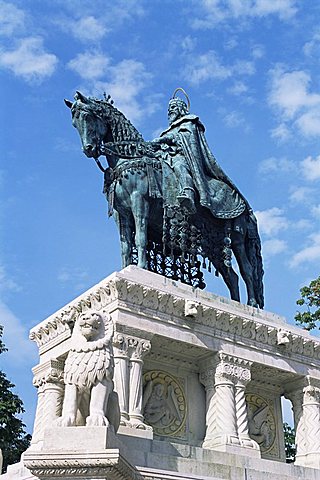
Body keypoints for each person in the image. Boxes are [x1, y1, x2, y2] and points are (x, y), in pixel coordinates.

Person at [153, 90, 249, 219]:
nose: (170, 111)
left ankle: (188, 195)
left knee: (180, 166)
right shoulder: (165, 131)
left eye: (174, 107)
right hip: (164, 157)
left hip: (182, 157)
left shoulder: (189, 122)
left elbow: (186, 138)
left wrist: (168, 139)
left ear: (181, 109)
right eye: (169, 109)